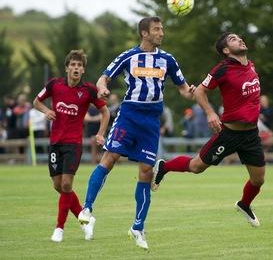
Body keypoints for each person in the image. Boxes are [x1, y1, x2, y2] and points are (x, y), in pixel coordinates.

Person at [77, 16, 196, 250]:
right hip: (129, 115)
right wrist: (101, 86)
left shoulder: (168, 59)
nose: (161, 33)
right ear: (144, 33)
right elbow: (104, 76)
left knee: (146, 172)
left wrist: (190, 91)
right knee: (109, 159)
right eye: (156, 29)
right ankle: (88, 207)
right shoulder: (128, 56)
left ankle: (137, 227)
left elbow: (182, 88)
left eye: (162, 29)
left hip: (151, 120)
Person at [152, 32, 265, 228]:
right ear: (226, 50)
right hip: (230, 133)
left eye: (239, 37)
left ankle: (244, 204)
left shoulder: (251, 66)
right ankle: (164, 167)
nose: (239, 39)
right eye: (233, 39)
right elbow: (201, 91)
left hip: (251, 135)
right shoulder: (222, 69)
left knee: (258, 179)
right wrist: (210, 113)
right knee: (196, 167)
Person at [33, 49, 110, 242]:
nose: (76, 68)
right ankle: (86, 220)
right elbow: (36, 101)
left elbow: (106, 112)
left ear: (83, 70)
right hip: (55, 143)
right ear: (67, 68)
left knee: (67, 184)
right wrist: (46, 110)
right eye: (73, 65)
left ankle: (59, 228)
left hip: (73, 144)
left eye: (79, 66)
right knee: (59, 186)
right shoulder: (55, 85)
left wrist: (100, 133)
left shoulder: (89, 90)